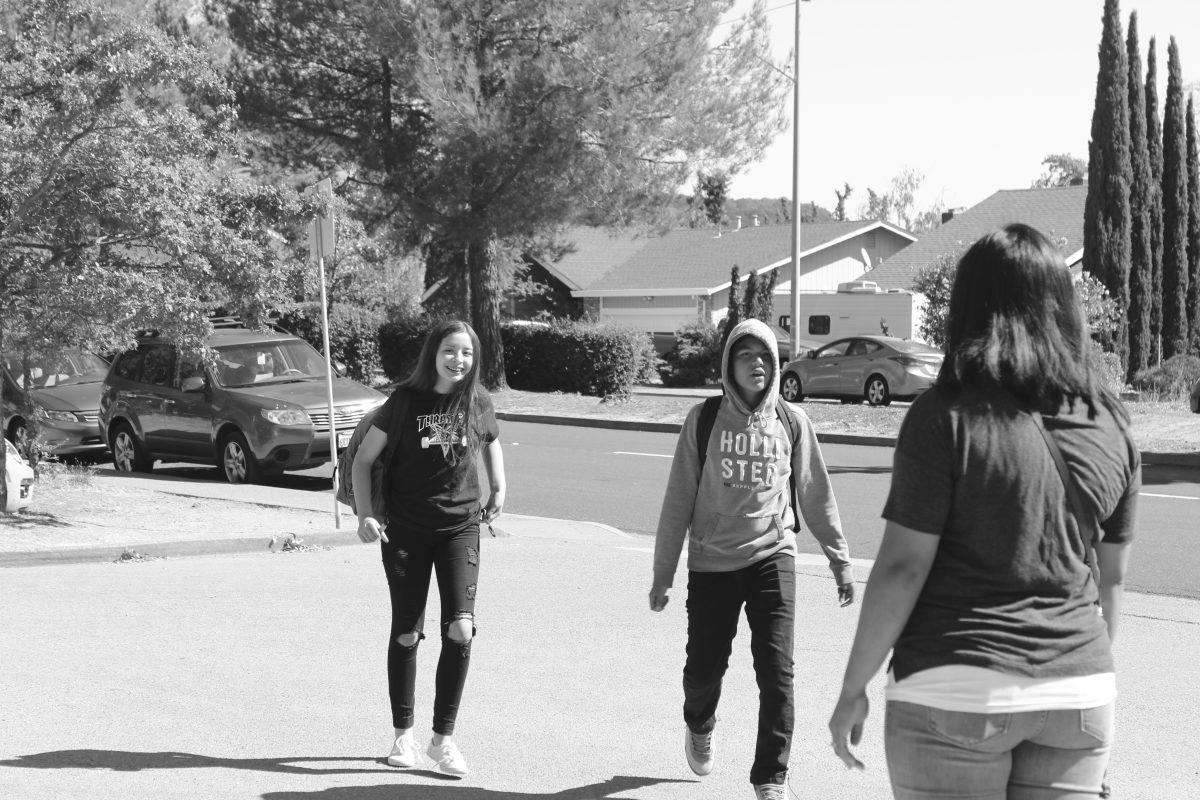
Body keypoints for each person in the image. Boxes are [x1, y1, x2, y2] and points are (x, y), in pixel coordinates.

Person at [828, 223, 1139, 799]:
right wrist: (1082, 677)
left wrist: (854, 686)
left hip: (955, 688)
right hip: (1079, 695)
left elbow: (903, 568)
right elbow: (1112, 577)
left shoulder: (944, 416)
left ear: (969, 307)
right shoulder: (1111, 424)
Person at [650, 318, 857, 800]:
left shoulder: (791, 422)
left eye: (765, 356)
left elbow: (815, 494)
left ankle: (771, 777)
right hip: (713, 561)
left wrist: (839, 559)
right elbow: (678, 498)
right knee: (703, 671)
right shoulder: (703, 421)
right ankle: (700, 722)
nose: (758, 364)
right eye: (746, 356)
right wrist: (663, 574)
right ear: (728, 366)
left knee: (777, 671)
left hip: (773, 555)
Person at [352, 319, 506, 778]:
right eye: (449, 350)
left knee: (461, 629)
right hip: (406, 530)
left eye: (466, 352)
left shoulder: (477, 400)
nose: (458, 360)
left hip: (461, 527)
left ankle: (443, 740)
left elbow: (492, 441)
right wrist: (365, 515)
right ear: (432, 354)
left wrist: (498, 486)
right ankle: (403, 736)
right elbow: (364, 459)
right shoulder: (403, 402)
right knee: (407, 632)